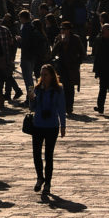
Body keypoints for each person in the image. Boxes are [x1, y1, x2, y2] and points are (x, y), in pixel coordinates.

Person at [29, 64, 67, 195]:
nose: (43, 77)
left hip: (51, 126)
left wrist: (63, 125)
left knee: (48, 155)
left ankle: (48, 182)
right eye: (42, 75)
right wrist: (31, 99)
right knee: (36, 153)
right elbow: (33, 107)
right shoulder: (38, 88)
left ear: (52, 76)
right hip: (38, 124)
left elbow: (61, 109)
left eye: (45, 75)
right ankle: (40, 177)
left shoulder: (58, 89)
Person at [50, 22, 85, 114]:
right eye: (61, 29)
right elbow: (53, 52)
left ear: (69, 30)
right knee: (62, 87)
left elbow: (82, 52)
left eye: (64, 29)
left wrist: (78, 62)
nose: (63, 31)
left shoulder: (75, 39)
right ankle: (63, 105)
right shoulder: (58, 38)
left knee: (70, 87)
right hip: (61, 66)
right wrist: (59, 42)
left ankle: (69, 106)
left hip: (72, 66)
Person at [17, 11, 46, 102]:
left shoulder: (25, 27)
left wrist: (19, 40)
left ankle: (31, 98)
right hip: (33, 56)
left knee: (28, 80)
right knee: (30, 78)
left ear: (22, 17)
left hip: (26, 56)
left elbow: (24, 43)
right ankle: (32, 97)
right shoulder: (33, 26)